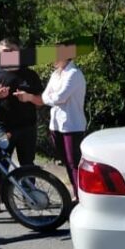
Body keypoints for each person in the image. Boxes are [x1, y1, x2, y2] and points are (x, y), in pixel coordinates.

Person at [0, 38, 44, 216]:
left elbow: (41, 101)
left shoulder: (30, 74)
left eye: (10, 51)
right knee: (0, 164)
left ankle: (29, 199)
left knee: (27, 165)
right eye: (2, 52)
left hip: (28, 127)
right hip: (3, 128)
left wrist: (28, 97)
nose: (6, 55)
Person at [40, 44, 87, 198]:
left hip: (72, 125)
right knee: (66, 162)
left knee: (74, 163)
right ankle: (76, 194)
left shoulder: (74, 74)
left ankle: (81, 197)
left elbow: (60, 97)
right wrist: (51, 98)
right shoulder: (55, 74)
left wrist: (51, 98)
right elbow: (45, 96)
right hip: (56, 125)